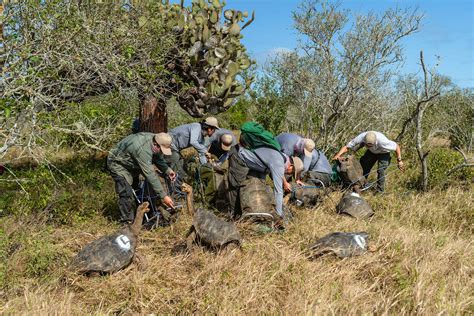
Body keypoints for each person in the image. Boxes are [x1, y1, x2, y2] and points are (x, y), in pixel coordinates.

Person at [107, 132, 176, 223]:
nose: (161, 152)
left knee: (136, 190)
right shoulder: (142, 149)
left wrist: (168, 171)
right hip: (118, 164)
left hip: (132, 164)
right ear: (156, 145)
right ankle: (127, 222)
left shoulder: (156, 140)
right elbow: (150, 174)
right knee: (126, 193)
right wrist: (164, 196)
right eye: (161, 149)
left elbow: (158, 159)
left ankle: (140, 215)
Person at [227, 143, 303, 220]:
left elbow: (275, 173)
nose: (289, 174)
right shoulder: (279, 163)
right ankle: (233, 217)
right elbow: (278, 191)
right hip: (239, 155)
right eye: (292, 172)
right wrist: (279, 216)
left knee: (259, 185)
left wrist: (285, 183)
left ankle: (251, 211)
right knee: (236, 186)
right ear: (291, 166)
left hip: (252, 161)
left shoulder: (283, 158)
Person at [332, 131, 404, 192]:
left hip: (384, 152)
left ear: (375, 142)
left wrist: (399, 161)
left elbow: (396, 147)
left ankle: (380, 191)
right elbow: (347, 147)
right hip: (372, 152)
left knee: (381, 170)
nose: (368, 146)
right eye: (367, 145)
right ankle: (362, 185)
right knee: (363, 166)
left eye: (370, 145)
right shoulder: (362, 137)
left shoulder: (383, 141)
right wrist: (338, 155)